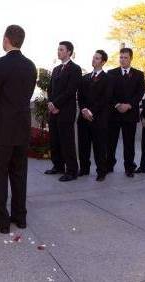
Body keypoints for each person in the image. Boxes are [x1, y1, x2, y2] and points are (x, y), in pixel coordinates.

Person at [0, 25, 37, 234]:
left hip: (1, 129)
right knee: (19, 174)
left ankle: (1, 221)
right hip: (22, 127)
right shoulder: (31, 66)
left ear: (6, 40)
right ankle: (20, 217)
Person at [44, 41, 82, 182]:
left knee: (67, 142)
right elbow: (50, 88)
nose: (58, 51)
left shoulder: (75, 69)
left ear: (69, 52)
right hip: (53, 110)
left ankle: (72, 171)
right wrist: (50, 103)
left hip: (65, 111)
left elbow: (71, 90)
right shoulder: (56, 69)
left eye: (61, 49)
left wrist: (56, 104)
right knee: (55, 140)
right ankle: (58, 166)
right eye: (58, 49)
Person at [106, 48, 145, 177]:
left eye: (125, 57)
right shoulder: (111, 73)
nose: (122, 60)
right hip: (114, 114)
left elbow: (140, 93)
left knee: (129, 143)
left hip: (130, 114)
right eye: (121, 57)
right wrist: (117, 105)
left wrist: (128, 105)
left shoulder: (139, 74)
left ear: (131, 58)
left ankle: (129, 167)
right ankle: (109, 165)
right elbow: (108, 93)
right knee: (111, 142)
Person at [77, 50, 111, 182]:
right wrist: (84, 109)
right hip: (83, 118)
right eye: (93, 58)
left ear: (103, 62)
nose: (94, 60)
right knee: (83, 145)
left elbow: (106, 98)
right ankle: (84, 169)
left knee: (99, 147)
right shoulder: (85, 78)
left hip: (99, 119)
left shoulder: (108, 79)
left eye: (97, 58)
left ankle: (101, 171)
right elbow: (80, 96)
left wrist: (91, 112)